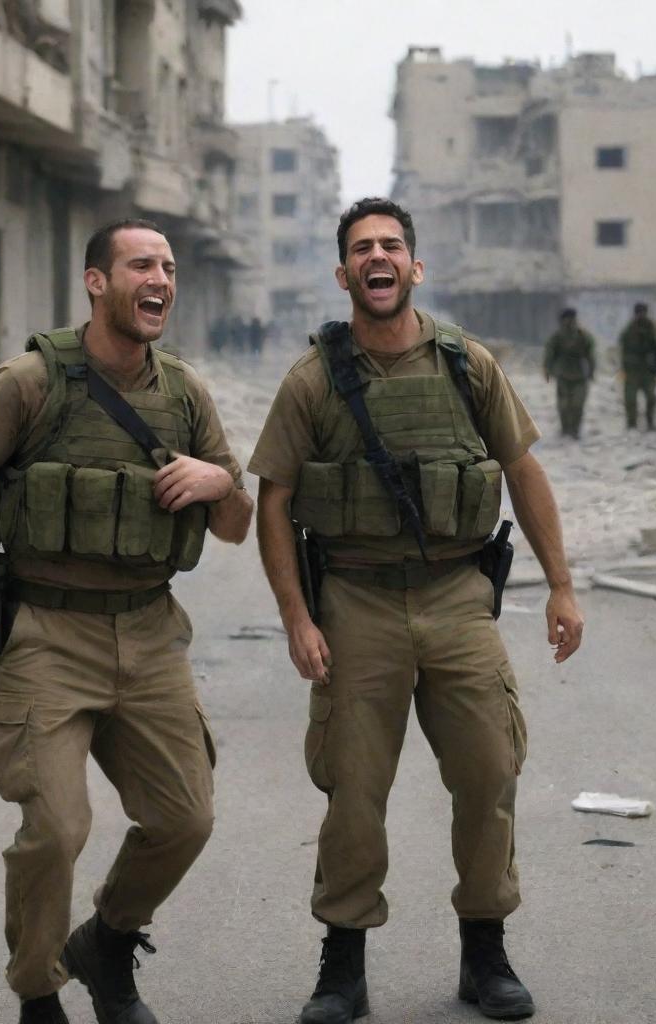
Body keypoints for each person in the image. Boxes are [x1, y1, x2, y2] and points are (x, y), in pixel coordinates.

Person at [251, 197, 584, 1024]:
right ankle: (343, 966)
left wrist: (563, 586)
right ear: (343, 274)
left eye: (391, 246)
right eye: (362, 249)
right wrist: (298, 617)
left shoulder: (468, 364)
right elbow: (274, 500)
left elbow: (522, 470)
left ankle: (485, 952)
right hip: (356, 600)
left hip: (457, 596)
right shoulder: (313, 381)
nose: (378, 258)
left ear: (414, 266)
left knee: (488, 772)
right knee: (355, 790)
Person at [0, 218, 253, 1024]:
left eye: (169, 267)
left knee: (185, 818)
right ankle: (39, 992)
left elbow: (237, 523)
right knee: (56, 830)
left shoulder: (183, 392)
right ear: (97, 282)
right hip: (48, 635)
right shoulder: (31, 382)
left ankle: (107, 938)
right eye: (142, 264)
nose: (161, 280)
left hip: (150, 631)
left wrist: (219, 482)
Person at [543, 308, 595, 439]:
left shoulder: (583, 336)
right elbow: (549, 355)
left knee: (578, 404)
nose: (570, 322)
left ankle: (575, 430)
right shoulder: (557, 337)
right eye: (567, 319)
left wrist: (591, 371)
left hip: (579, 375)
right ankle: (566, 429)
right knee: (564, 406)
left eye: (572, 319)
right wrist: (547, 370)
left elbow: (591, 355)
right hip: (563, 376)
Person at [618, 303, 656, 431]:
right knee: (630, 398)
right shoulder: (629, 329)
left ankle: (650, 422)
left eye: (643, 312)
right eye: (639, 312)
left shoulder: (652, 328)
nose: (641, 315)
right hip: (632, 369)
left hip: (648, 369)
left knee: (651, 397)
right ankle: (631, 423)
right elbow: (623, 348)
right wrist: (624, 366)